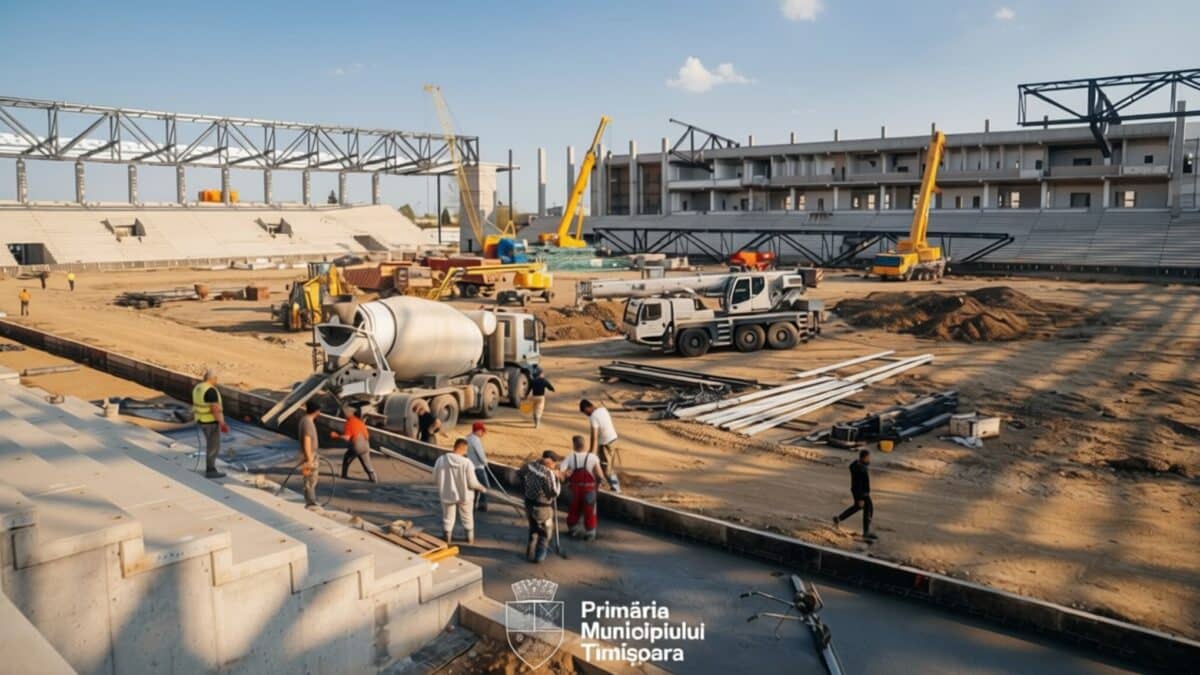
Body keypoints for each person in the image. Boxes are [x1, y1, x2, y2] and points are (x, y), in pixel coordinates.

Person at [433, 438, 487, 545]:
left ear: (454, 447)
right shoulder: (467, 463)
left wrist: (443, 485)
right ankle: (469, 539)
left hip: (447, 493)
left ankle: (447, 538)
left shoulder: (441, 460)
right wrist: (481, 488)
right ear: (464, 449)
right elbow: (472, 483)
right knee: (467, 517)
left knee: (448, 517)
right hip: (465, 495)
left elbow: (435, 477)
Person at [560, 435, 607, 540]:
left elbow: (562, 471)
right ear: (585, 445)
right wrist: (600, 483)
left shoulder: (570, 457)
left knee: (573, 509)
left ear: (574, 445)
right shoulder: (593, 457)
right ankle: (590, 532)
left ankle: (573, 529)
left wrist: (565, 479)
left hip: (574, 489)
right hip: (589, 490)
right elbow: (600, 475)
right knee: (589, 511)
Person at [519, 450, 562, 563]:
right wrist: (557, 479)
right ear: (550, 462)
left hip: (528, 503)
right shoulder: (548, 473)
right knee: (545, 532)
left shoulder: (530, 465)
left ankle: (530, 552)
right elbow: (554, 493)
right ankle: (539, 555)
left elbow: (520, 473)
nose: (554, 466)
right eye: (554, 463)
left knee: (533, 529)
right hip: (543, 507)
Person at [191, 369, 229, 479]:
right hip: (210, 422)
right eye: (216, 379)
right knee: (213, 447)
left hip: (200, 420)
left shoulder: (198, 388)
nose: (217, 381)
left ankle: (210, 468)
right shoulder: (210, 390)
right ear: (213, 378)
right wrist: (222, 423)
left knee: (210, 445)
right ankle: (211, 470)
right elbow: (214, 408)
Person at [833, 449, 876, 540]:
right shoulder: (861, 469)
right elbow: (859, 484)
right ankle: (866, 532)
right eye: (868, 458)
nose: (869, 459)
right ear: (864, 458)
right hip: (862, 493)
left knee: (857, 507)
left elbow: (852, 467)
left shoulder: (856, 465)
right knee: (868, 509)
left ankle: (838, 518)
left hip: (858, 491)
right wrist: (860, 498)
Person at [580, 399, 621, 492]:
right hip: (612, 440)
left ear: (588, 408)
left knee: (607, 470)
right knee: (599, 464)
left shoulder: (593, 417)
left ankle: (617, 489)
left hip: (607, 444)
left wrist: (591, 452)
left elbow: (594, 437)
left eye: (586, 412)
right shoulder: (603, 409)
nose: (586, 414)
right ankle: (597, 483)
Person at [331, 405, 377, 483]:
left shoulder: (349, 422)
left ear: (348, 414)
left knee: (347, 458)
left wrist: (336, 436)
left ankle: (344, 475)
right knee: (366, 463)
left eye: (344, 413)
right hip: (366, 445)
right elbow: (367, 436)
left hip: (357, 445)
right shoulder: (360, 422)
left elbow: (347, 437)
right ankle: (373, 478)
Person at [297, 400, 322, 508]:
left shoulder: (305, 420)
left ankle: (310, 500)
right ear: (317, 411)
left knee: (310, 479)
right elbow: (307, 440)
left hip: (309, 454)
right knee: (310, 479)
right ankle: (310, 502)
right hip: (310, 455)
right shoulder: (307, 422)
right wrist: (309, 459)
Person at [465, 422, 490, 512]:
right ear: (478, 430)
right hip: (478, 467)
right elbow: (480, 454)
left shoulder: (467, 438)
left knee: (474, 486)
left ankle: (472, 505)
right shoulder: (475, 440)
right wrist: (485, 462)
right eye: (482, 431)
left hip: (470, 466)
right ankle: (482, 505)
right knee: (484, 486)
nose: (483, 433)